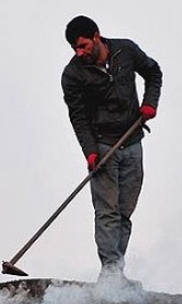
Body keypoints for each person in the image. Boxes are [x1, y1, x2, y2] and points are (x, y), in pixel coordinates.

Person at [61, 15, 162, 286]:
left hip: (132, 142)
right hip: (104, 146)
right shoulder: (73, 75)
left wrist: (150, 104)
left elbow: (153, 72)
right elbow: (78, 118)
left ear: (96, 36)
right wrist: (90, 152)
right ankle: (110, 275)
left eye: (82, 45)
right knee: (107, 212)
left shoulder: (125, 50)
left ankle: (116, 271)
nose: (79, 53)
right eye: (74, 48)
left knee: (124, 211)